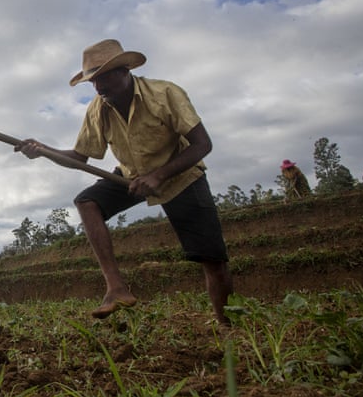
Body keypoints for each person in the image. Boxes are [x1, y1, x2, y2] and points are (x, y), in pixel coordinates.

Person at [16, 39, 233, 324]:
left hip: (181, 177)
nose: (98, 87)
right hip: (132, 176)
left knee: (213, 261)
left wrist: (158, 175)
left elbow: (202, 144)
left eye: (103, 77)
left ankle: (226, 323)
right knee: (87, 201)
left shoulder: (165, 93)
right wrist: (44, 151)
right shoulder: (97, 109)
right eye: (93, 81)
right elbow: (80, 158)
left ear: (124, 71)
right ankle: (115, 287)